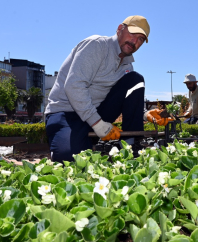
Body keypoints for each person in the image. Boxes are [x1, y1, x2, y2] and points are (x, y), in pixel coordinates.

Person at [45, 15, 167, 162]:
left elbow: (123, 99)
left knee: (135, 80)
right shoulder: (96, 46)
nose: (135, 41)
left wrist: (146, 114)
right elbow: (74, 85)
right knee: (72, 162)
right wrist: (98, 124)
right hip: (66, 113)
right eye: (133, 33)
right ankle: (70, 144)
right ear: (119, 29)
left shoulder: (127, 66)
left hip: (95, 114)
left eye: (140, 39)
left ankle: (130, 148)